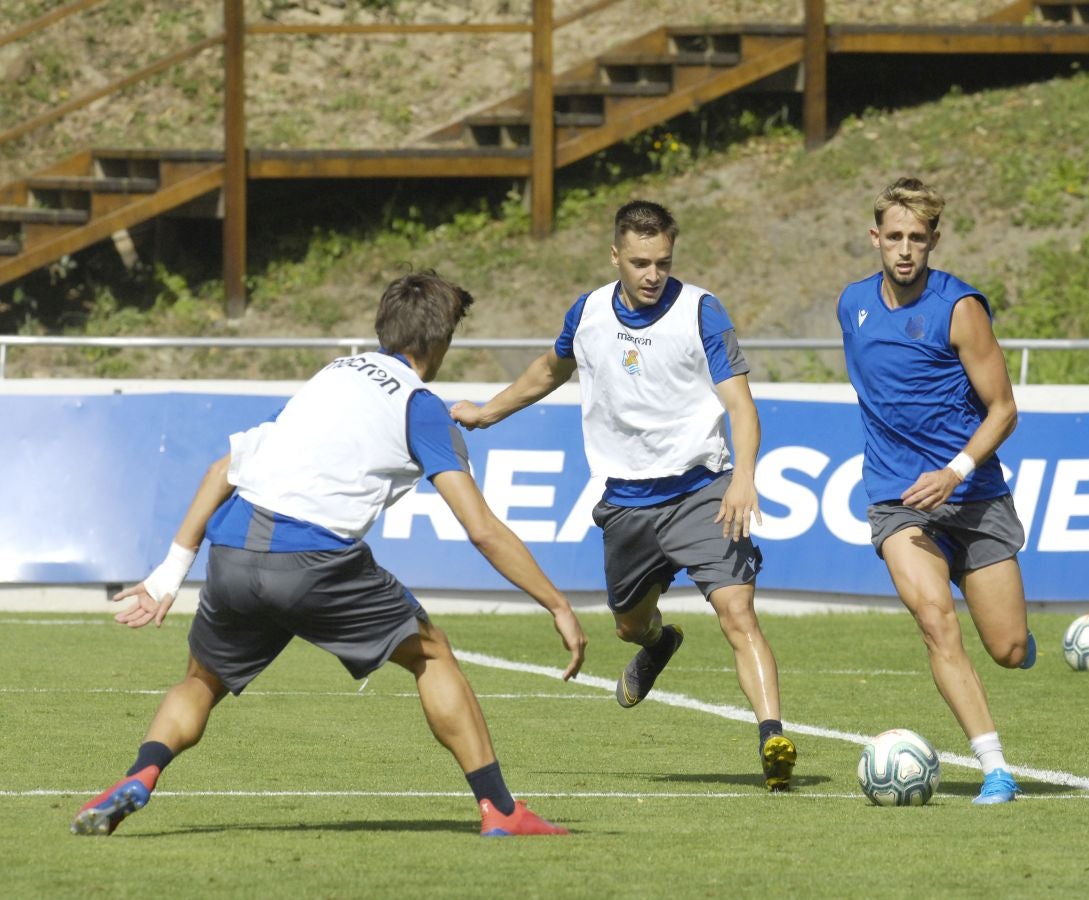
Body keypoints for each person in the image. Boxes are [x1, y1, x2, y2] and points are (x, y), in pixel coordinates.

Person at [72, 270, 588, 839]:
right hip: (312, 560)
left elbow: (223, 469)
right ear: (439, 343)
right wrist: (556, 603)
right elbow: (482, 529)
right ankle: (501, 810)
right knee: (432, 654)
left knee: (201, 681)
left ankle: (141, 774)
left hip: (236, 550)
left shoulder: (332, 374)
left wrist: (168, 575)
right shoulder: (420, 405)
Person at [449, 200, 796, 791]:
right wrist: (487, 413)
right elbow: (549, 370)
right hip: (627, 503)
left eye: (662, 261)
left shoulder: (701, 312)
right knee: (630, 626)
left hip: (701, 491)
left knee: (738, 614)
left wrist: (743, 475)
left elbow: (740, 402)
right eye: (639, 262)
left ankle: (773, 738)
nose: (652, 275)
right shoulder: (586, 314)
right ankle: (659, 644)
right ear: (615, 256)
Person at [836, 176, 1035, 805]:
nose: (904, 250)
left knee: (1005, 648)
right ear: (874, 238)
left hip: (973, 494)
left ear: (933, 242)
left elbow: (1003, 409)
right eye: (893, 236)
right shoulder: (853, 306)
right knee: (935, 620)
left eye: (916, 238)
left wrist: (954, 469)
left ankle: (1019, 643)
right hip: (898, 499)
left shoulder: (960, 308)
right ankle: (995, 766)